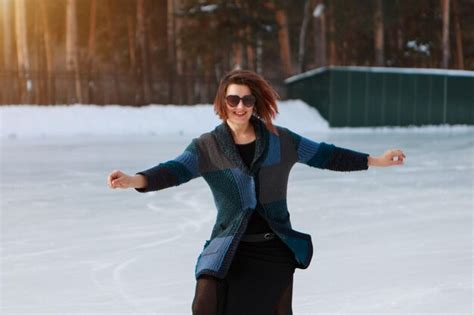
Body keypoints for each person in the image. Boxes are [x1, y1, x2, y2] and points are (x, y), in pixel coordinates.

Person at [107, 69, 406, 314]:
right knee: (204, 306)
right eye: (233, 99)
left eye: (247, 100)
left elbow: (326, 155)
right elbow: (174, 170)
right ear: (222, 102)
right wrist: (135, 179)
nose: (240, 106)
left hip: (273, 248)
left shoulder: (281, 141)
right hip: (228, 247)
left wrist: (374, 161)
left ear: (255, 103)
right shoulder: (207, 147)